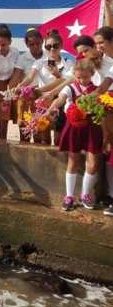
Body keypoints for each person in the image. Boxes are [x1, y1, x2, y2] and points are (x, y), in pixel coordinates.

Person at [47, 59, 102, 211]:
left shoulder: (97, 89)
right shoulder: (70, 87)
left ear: (92, 74)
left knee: (93, 163)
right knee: (73, 161)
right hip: (74, 127)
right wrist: (50, 109)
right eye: (78, 77)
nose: (82, 80)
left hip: (92, 127)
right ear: (75, 75)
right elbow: (60, 99)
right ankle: (69, 196)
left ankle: (85, 194)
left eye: (85, 77)